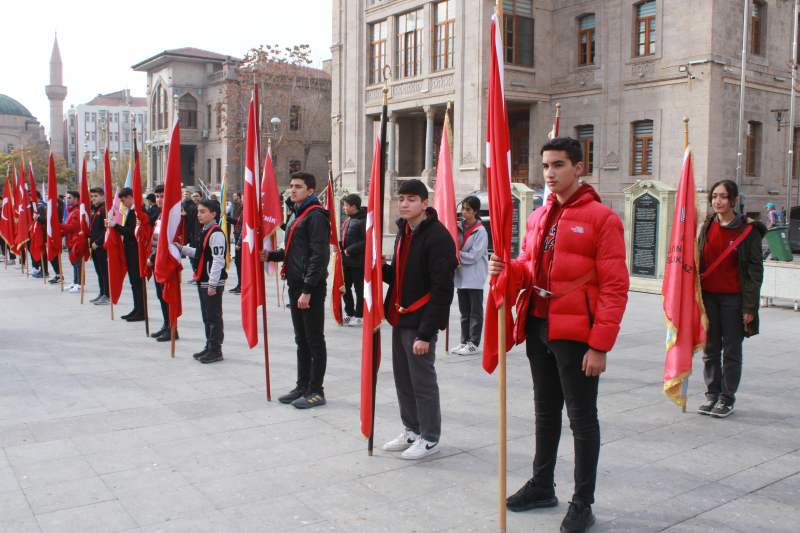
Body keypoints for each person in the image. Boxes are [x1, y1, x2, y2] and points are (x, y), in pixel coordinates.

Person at [491, 137, 629, 533]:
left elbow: (615, 287)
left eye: (559, 165)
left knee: (582, 420)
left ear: (579, 168)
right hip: (538, 323)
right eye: (546, 166)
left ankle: (582, 502)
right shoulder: (538, 215)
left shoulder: (603, 218)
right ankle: (541, 484)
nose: (550, 174)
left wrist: (600, 345)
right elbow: (527, 266)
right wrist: (506, 268)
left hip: (576, 334)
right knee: (545, 412)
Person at [381, 179, 458, 460]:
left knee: (422, 381)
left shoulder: (438, 237)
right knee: (403, 380)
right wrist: (380, 269)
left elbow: (442, 291)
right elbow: (402, 276)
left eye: (411, 199)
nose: (404, 204)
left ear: (425, 204)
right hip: (399, 317)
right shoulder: (404, 230)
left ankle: (430, 437)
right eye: (401, 198)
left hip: (420, 322)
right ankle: (412, 429)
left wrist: (426, 334)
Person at [260, 172, 330, 409]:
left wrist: (308, 289)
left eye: (298, 187)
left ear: (310, 191)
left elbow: (319, 256)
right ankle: (303, 385)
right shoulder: (297, 214)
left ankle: (316, 391)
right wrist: (271, 255)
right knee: (301, 340)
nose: (292, 190)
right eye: (291, 186)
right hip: (296, 283)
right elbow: (293, 251)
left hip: (310, 287)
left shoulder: (316, 216)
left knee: (314, 340)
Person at [697, 180, 766, 419]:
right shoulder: (707, 225)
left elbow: (755, 272)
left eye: (723, 196)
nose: (717, 201)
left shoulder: (748, 231)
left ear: (734, 200)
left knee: (732, 352)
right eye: (714, 196)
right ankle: (711, 395)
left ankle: (727, 398)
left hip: (734, 301)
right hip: (708, 299)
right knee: (711, 349)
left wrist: (750, 307)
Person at [177, 199, 227, 363]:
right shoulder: (205, 230)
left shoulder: (216, 233)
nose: (198, 214)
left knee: (214, 316)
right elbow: (200, 253)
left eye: (203, 211)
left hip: (211, 282)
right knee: (207, 316)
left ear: (213, 214)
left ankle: (215, 348)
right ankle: (209, 344)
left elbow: (218, 260)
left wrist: (213, 283)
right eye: (198, 211)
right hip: (203, 279)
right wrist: (182, 248)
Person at [451, 195, 489, 355]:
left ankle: (473, 342)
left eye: (468, 209)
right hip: (461, 276)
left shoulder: (480, 231)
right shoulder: (457, 227)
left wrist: (456, 254)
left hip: (474, 275)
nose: (464, 212)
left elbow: (474, 255)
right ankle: (464, 340)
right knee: (464, 311)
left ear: (475, 211)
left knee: (475, 311)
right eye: (463, 209)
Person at [105, 188, 145, 321]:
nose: (122, 203)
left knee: (138, 282)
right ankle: (137, 308)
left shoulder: (139, 211)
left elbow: (132, 232)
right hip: (130, 250)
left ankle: (141, 310)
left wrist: (115, 225)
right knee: (133, 282)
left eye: (123, 201)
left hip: (136, 251)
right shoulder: (132, 211)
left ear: (129, 197)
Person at [147, 186, 179, 342]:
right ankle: (166, 324)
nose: (159, 199)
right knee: (161, 295)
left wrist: (152, 257)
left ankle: (173, 328)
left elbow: (166, 242)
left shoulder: (171, 217)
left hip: (165, 262)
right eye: (157, 196)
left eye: (162, 196)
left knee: (167, 295)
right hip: (157, 262)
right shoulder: (160, 215)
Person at [339, 193, 367, 326]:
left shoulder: (363, 221)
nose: (344, 208)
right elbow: (347, 238)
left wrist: (350, 250)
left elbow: (366, 241)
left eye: (345, 205)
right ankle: (349, 312)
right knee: (345, 288)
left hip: (358, 262)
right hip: (346, 262)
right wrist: (339, 245)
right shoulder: (349, 219)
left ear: (354, 206)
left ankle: (359, 314)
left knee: (359, 289)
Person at [89, 188, 110, 305]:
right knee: (99, 271)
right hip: (95, 247)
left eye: (96, 196)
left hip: (101, 247)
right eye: (92, 196)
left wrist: (98, 242)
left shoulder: (103, 210)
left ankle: (107, 294)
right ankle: (102, 293)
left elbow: (106, 229)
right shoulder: (96, 211)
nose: (93, 198)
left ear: (102, 197)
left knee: (104, 271)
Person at [59, 190, 83, 293]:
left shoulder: (77, 211)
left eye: (69, 198)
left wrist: (58, 225)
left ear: (76, 199)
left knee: (78, 263)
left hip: (75, 241)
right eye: (67, 198)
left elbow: (73, 226)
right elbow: (67, 227)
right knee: (73, 263)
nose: (67, 199)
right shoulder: (71, 210)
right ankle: (75, 281)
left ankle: (80, 283)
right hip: (70, 241)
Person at [226, 199, 243, 295]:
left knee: (241, 264)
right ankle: (239, 284)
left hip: (241, 241)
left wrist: (239, 243)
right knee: (237, 263)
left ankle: (242, 285)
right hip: (238, 238)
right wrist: (227, 217)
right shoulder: (244, 210)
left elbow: (245, 227)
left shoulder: (247, 209)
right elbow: (239, 222)